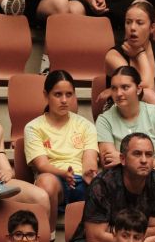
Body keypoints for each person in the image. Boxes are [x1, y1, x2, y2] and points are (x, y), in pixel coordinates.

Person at [23, 68, 98, 214]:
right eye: (58, 94)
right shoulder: (33, 127)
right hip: (53, 180)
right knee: (46, 181)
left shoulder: (86, 125)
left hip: (81, 180)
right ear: (46, 95)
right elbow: (42, 165)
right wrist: (63, 173)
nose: (64, 100)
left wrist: (89, 172)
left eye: (69, 94)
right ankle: (48, 229)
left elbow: (90, 159)